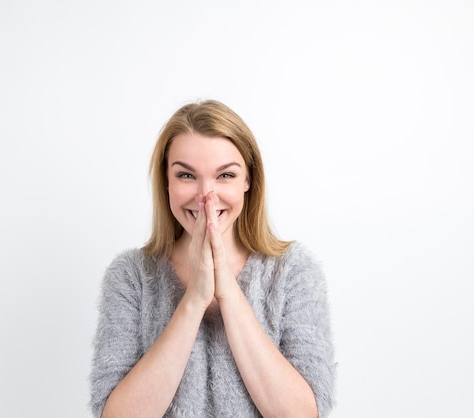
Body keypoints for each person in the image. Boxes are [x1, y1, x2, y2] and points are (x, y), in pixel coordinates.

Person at [89, 100, 336, 417]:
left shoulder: (294, 272)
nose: (206, 195)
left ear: (248, 180)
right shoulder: (131, 277)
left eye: (225, 175)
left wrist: (228, 292)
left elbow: (302, 415)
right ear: (166, 181)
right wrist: (194, 299)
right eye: (187, 176)